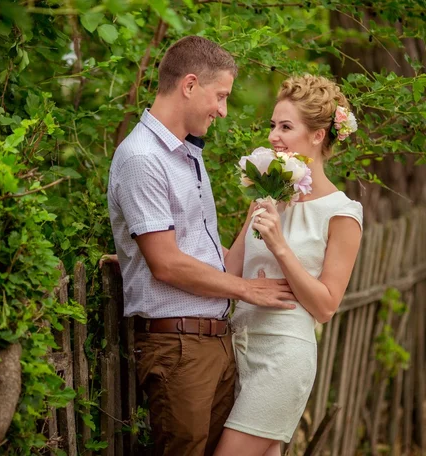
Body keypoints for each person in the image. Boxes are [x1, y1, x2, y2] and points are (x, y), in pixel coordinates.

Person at [107, 36, 296, 456]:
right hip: (179, 347)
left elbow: (214, 263)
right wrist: (249, 291)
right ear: (189, 85)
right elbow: (167, 264)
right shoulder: (142, 157)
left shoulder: (187, 156)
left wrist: (254, 219)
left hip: (214, 342)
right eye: (221, 96)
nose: (223, 110)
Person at [213, 74, 363, 456]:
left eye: (285, 127)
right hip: (235, 349)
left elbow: (326, 306)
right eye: (272, 126)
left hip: (283, 358)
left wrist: (280, 245)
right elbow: (229, 271)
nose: (273, 136)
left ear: (317, 136)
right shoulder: (265, 195)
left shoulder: (342, 214)